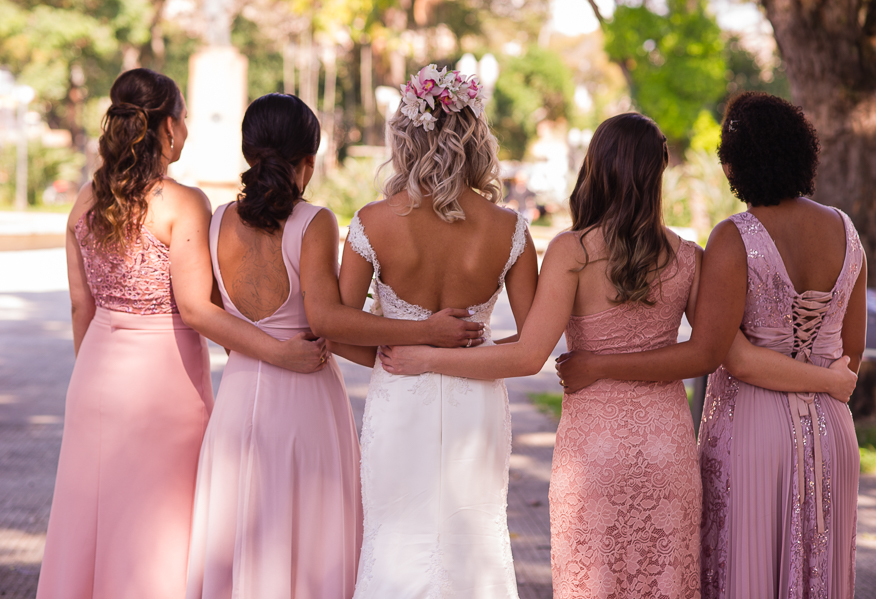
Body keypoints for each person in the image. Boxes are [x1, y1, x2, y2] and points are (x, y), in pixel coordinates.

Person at [379, 111, 858, 598]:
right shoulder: (689, 257)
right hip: (667, 452)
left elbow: (528, 353)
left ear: (595, 168)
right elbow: (705, 354)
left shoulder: (572, 252)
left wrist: (429, 357)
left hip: (593, 456)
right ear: (658, 175)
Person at [37, 69, 333, 599]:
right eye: (186, 120)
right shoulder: (184, 202)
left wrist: (93, 379)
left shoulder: (84, 200)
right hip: (163, 383)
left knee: (90, 525)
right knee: (159, 534)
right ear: (169, 128)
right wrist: (280, 353)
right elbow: (197, 311)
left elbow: (82, 305)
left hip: (94, 376)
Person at [557, 93, 865, 597]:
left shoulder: (735, 236)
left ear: (735, 164)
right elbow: (850, 350)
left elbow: (727, 356)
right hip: (834, 431)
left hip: (753, 431)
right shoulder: (848, 234)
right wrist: (829, 380)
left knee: (744, 573)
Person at [184, 92, 486, 599]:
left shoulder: (215, 222)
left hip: (236, 402)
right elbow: (327, 318)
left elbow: (209, 313)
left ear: (248, 151)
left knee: (237, 536)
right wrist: (425, 333)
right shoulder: (313, 221)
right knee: (311, 540)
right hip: (305, 402)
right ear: (309, 160)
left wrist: (258, 351)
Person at [309, 64, 539, 598]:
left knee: (394, 539)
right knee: (474, 539)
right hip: (477, 401)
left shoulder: (371, 223)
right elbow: (533, 343)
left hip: (399, 397)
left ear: (406, 137)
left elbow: (341, 330)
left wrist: (404, 351)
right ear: (475, 136)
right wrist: (452, 345)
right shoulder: (511, 230)